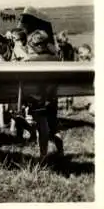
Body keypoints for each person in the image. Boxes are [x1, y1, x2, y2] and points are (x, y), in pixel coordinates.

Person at [24, 30, 64, 162]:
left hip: (37, 98)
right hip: (52, 97)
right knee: (54, 124)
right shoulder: (57, 59)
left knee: (42, 128)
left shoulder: (29, 62)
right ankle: (60, 151)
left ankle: (43, 155)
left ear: (34, 45)